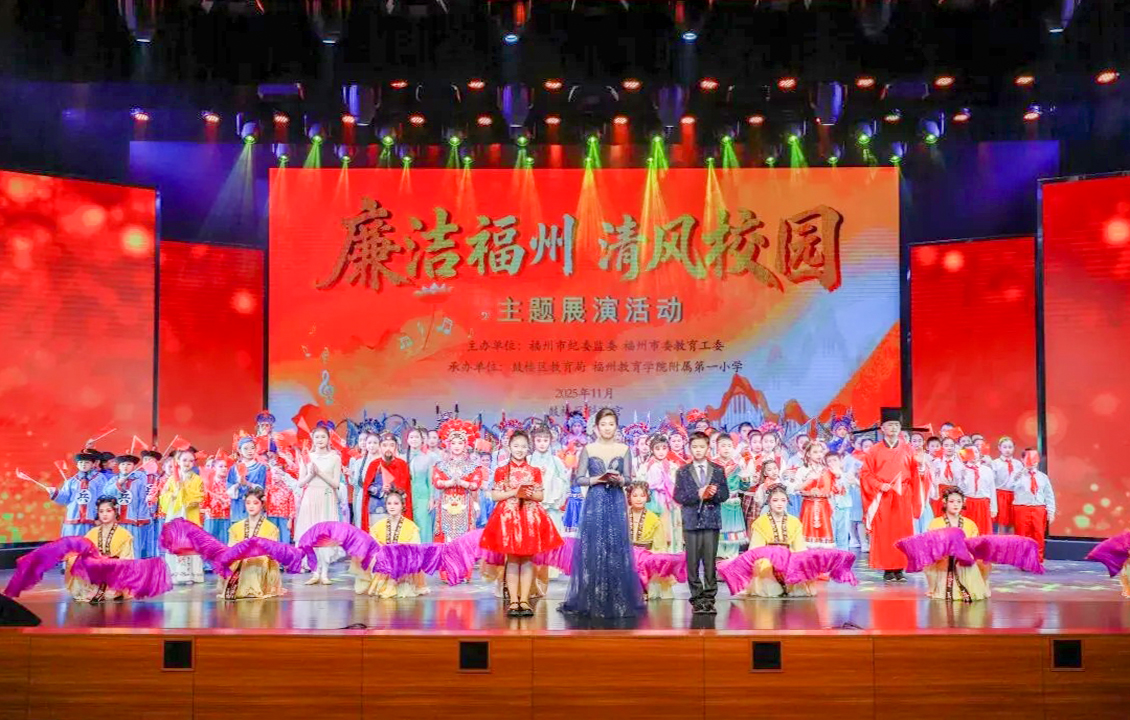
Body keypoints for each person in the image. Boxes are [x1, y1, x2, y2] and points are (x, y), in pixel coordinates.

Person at [560, 407, 644, 620]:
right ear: (596, 427)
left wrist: (620, 480)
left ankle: (616, 598)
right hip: (595, 501)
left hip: (616, 500)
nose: (607, 428)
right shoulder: (588, 449)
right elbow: (578, 479)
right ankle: (592, 598)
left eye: (611, 424)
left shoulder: (624, 449)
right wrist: (597, 479)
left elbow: (629, 479)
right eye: (603, 424)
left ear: (616, 427)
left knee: (616, 546)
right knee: (594, 547)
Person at [481, 430, 564, 616]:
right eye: (516, 446)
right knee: (512, 559)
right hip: (508, 517)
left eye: (523, 446)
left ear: (529, 449)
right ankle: (513, 601)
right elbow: (495, 496)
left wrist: (527, 493)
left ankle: (525, 601)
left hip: (529, 516)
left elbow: (540, 496)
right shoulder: (501, 470)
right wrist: (514, 492)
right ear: (509, 447)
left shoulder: (534, 471)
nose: (519, 450)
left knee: (527, 559)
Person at [860, 408, 922, 583]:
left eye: (896, 425)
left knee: (903, 532)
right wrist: (880, 485)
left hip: (903, 495)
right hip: (883, 496)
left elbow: (915, 473)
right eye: (890, 425)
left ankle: (900, 568)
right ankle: (888, 569)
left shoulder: (908, 449)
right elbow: (865, 474)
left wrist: (923, 468)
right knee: (885, 533)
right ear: (882, 428)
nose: (893, 428)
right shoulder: (874, 450)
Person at [673, 431, 730, 615]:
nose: (698, 450)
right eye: (694, 447)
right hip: (691, 521)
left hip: (711, 521)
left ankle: (710, 598)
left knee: (710, 561)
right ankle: (697, 599)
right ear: (690, 448)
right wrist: (697, 494)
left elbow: (725, 495)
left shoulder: (718, 470)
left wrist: (713, 494)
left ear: (708, 448)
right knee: (692, 562)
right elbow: (678, 496)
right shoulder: (682, 471)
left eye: (701, 447)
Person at [738, 484, 814, 598]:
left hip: (788, 555)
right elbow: (756, 549)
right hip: (767, 557)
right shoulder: (761, 522)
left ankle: (790, 586)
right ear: (769, 502)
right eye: (775, 500)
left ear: (787, 501)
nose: (779, 504)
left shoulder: (794, 522)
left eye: (783, 500)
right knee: (764, 565)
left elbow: (800, 547)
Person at [294, 423, 343, 585]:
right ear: (312, 439)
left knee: (325, 536)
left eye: (323, 437)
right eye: (317, 437)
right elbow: (300, 483)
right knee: (311, 534)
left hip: (326, 497)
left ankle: (325, 572)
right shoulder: (307, 457)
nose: (320, 440)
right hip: (310, 497)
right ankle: (315, 572)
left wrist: (319, 473)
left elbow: (336, 483)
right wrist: (310, 475)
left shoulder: (335, 458)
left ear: (329, 439)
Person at [353, 490, 426, 598]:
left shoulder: (410, 527)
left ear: (402, 505)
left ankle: (398, 583)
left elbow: (415, 548)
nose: (392, 507)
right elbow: (372, 545)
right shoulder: (378, 526)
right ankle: (382, 583)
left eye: (396, 503)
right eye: (389, 503)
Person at [923, 488, 990, 602]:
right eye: (952, 501)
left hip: (964, 559)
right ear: (945, 503)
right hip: (944, 558)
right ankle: (932, 588)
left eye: (959, 502)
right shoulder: (936, 523)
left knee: (983, 560)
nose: (956, 505)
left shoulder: (970, 523)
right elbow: (932, 545)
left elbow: (974, 544)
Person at [66, 496, 135, 602]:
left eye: (108, 511)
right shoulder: (92, 532)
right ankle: (91, 588)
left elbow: (127, 559)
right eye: (101, 511)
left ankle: (111, 589)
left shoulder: (124, 535)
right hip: (96, 569)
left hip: (114, 570)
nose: (104, 514)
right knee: (74, 559)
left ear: (115, 512)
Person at [221, 488, 284, 600]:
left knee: (256, 561)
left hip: (261, 561)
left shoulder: (271, 528)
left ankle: (254, 589)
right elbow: (231, 548)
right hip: (240, 561)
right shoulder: (236, 527)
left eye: (255, 503)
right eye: (248, 503)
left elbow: (272, 552)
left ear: (262, 504)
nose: (251, 506)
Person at [432, 419, 486, 544]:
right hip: (445, 503)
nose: (457, 446)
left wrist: (462, 483)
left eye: (460, 443)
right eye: (453, 443)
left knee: (464, 537)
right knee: (446, 536)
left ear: (465, 445)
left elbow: (476, 484)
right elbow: (436, 481)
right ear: (448, 445)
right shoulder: (441, 465)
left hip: (465, 503)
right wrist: (449, 483)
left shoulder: (473, 466)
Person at [161, 449, 205, 584]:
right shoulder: (171, 479)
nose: (187, 463)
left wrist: (184, 489)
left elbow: (199, 496)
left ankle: (190, 575)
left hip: (190, 515)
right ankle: (175, 574)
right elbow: (163, 496)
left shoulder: (197, 479)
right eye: (184, 460)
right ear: (178, 462)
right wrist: (173, 495)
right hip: (175, 514)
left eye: (191, 461)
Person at [102, 454, 156, 559]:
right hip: (116, 519)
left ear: (134, 466)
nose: (125, 467)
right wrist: (118, 484)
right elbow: (106, 493)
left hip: (132, 519)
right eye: (122, 464)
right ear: (118, 466)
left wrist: (141, 518)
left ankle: (133, 566)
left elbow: (142, 500)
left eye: (128, 464)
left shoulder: (139, 481)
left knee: (133, 545)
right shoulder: (114, 480)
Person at [627, 481, 673, 600]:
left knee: (644, 561)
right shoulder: (622, 516)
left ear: (647, 497)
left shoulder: (653, 518)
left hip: (646, 554)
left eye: (642, 495)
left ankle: (644, 589)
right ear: (629, 497)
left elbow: (659, 545)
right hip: (627, 553)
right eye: (635, 495)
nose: (638, 499)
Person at [638, 433, 681, 552]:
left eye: (664, 448)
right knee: (655, 527)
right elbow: (640, 484)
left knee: (670, 527)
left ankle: (671, 552)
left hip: (669, 501)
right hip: (652, 500)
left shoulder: (673, 466)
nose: (661, 452)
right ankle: (655, 554)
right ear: (652, 450)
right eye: (657, 448)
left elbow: (677, 485)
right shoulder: (645, 467)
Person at [361, 432, 412, 532]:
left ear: (396, 447)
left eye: (391, 445)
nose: (388, 448)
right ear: (380, 447)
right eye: (384, 445)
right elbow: (367, 488)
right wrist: (380, 489)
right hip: (377, 510)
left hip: (397, 512)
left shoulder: (402, 465)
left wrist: (393, 489)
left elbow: (406, 489)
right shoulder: (374, 465)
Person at [1010, 448, 1056, 562]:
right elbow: (1010, 486)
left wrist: (1051, 511)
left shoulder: (1042, 477)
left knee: (1038, 534)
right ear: (1022, 459)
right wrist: (1019, 475)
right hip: (1022, 508)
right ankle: (1022, 560)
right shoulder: (1017, 475)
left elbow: (1049, 495)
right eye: (1029, 458)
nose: (1032, 462)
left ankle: (1037, 559)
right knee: (1022, 535)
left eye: (1035, 459)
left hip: (1038, 508)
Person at [792, 440, 839, 549]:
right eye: (815, 452)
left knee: (825, 540)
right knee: (807, 540)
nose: (819, 455)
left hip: (824, 506)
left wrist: (838, 475)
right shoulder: (803, 470)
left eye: (821, 452)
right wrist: (808, 484)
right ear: (808, 454)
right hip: (809, 506)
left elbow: (835, 489)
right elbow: (795, 488)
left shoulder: (827, 470)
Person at [47, 451, 103, 537]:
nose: (83, 465)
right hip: (73, 517)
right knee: (72, 542)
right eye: (81, 463)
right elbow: (65, 498)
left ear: (92, 464)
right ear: (77, 465)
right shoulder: (71, 481)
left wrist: (100, 516)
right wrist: (55, 492)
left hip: (92, 517)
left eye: (87, 462)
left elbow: (103, 499)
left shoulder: (99, 479)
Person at [716, 434, 747, 558]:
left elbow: (744, 488)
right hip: (717, 503)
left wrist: (745, 479)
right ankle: (718, 560)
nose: (726, 448)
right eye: (723, 446)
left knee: (733, 534)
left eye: (729, 446)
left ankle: (731, 560)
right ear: (717, 448)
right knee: (717, 534)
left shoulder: (737, 466)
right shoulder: (712, 465)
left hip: (733, 503)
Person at [227, 436, 268, 523]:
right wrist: (238, 484)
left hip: (254, 505)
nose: (250, 451)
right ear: (239, 450)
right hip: (237, 506)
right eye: (246, 448)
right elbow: (229, 487)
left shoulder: (261, 468)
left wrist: (248, 484)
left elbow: (262, 488)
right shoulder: (234, 468)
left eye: (252, 448)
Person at [958, 446, 996, 539]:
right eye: (970, 452)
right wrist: (962, 477)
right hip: (968, 503)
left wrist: (994, 508)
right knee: (967, 531)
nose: (974, 455)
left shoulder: (987, 470)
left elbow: (992, 489)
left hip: (983, 504)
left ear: (979, 454)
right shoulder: (963, 470)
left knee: (982, 531)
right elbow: (960, 489)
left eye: (976, 452)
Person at [405, 427, 436, 539]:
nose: (414, 439)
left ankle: (425, 549)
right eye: (411, 437)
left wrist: (431, 499)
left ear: (422, 440)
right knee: (408, 527)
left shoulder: (428, 458)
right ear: (407, 440)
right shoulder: (402, 458)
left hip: (423, 496)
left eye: (417, 437)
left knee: (423, 526)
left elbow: (430, 481)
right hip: (406, 496)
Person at [201, 454, 232, 550]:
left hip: (226, 518)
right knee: (210, 546)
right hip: (211, 518)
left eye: (225, 466)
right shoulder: (208, 484)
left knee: (225, 545)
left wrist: (226, 502)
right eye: (221, 466)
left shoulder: (229, 485)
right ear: (214, 468)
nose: (224, 469)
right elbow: (203, 503)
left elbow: (232, 501)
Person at [991, 437, 1020, 533]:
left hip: (1015, 495)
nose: (1007, 450)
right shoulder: (995, 463)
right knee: (1002, 522)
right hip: (1001, 495)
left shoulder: (1018, 464)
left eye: (1010, 447)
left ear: (1014, 448)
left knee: (1013, 521)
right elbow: (991, 481)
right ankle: (1001, 540)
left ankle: (1012, 541)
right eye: (1005, 447)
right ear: (999, 448)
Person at [931, 437, 962, 518]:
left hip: (955, 493)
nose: (949, 448)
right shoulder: (936, 462)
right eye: (946, 445)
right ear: (942, 447)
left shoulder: (959, 462)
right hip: (940, 493)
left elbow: (962, 481)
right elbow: (932, 480)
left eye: (952, 445)